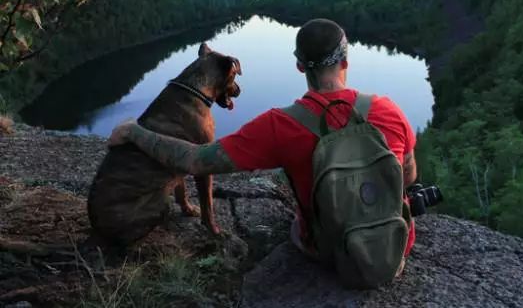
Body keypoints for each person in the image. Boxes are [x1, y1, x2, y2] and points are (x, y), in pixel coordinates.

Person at [108, 18, 418, 266]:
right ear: (346, 61)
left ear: (299, 65)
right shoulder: (388, 110)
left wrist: (135, 132)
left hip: (329, 252)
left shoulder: (280, 125)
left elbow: (196, 161)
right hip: (396, 245)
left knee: (296, 225)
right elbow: (407, 177)